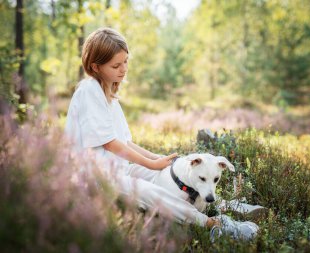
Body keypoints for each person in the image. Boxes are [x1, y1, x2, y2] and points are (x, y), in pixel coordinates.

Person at [65, 27, 259, 241]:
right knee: (149, 190)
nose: (124, 69)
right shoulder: (89, 90)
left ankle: (223, 204)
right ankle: (214, 224)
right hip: (97, 177)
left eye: (126, 62)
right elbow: (111, 144)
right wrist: (150, 164)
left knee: (171, 169)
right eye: (116, 65)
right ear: (95, 66)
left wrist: (156, 158)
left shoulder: (109, 94)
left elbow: (125, 142)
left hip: (120, 168)